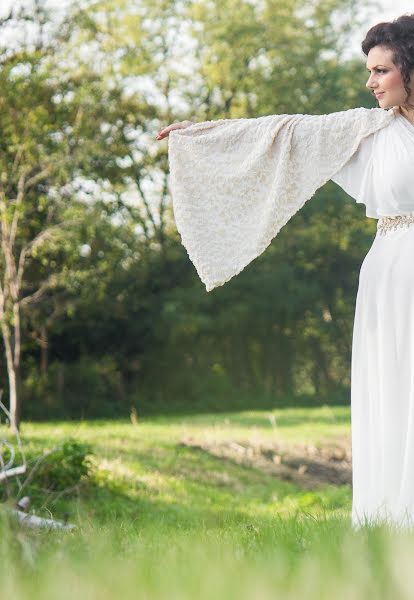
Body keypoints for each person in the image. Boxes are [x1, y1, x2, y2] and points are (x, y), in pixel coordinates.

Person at [156, 14, 414, 530]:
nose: (370, 82)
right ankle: (397, 519)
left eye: (381, 70)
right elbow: (282, 134)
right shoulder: (365, 130)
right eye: (369, 70)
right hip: (395, 273)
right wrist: (201, 135)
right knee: (399, 389)